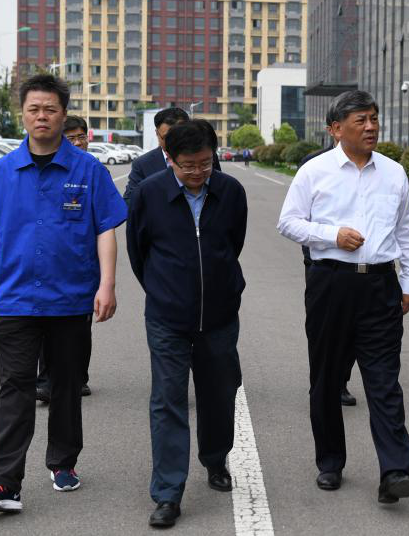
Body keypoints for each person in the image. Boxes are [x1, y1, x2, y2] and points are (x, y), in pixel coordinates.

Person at [0, 74, 127, 513]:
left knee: (66, 385)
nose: (42, 116)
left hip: (70, 299)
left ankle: (63, 462)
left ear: (63, 114)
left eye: (50, 109)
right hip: (14, 299)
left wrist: (107, 284)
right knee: (15, 387)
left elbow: (105, 229)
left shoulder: (89, 170)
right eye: (34, 109)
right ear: (22, 114)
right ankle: (4, 483)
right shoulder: (1, 173)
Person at [278, 90, 409, 504]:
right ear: (336, 129)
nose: (371, 127)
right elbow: (288, 222)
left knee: (384, 381)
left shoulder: (393, 172)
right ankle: (330, 462)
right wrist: (331, 235)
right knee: (326, 379)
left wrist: (407, 285)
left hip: (380, 286)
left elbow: (407, 232)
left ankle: (395, 470)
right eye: (361, 120)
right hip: (331, 285)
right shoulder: (314, 171)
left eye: (374, 118)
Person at [126, 119, 247, 528]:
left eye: (205, 163)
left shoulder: (230, 191)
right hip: (167, 318)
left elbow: (233, 244)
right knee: (167, 400)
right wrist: (163, 289)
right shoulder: (149, 193)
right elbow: (138, 251)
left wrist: (221, 286)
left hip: (219, 316)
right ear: (170, 159)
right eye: (188, 165)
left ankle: (215, 460)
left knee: (219, 393)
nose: (197, 172)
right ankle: (167, 492)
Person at [34, 115, 95, 403]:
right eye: (71, 138)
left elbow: (105, 224)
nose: (77, 142)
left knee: (80, 329)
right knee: (45, 327)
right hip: (48, 264)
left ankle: (78, 377)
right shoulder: (49, 172)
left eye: (81, 136)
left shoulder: (93, 171)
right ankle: (46, 382)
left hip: (82, 265)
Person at [298, 118, 358, 408]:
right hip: (321, 262)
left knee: (351, 329)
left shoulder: (376, 166)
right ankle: (320, 382)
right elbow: (299, 218)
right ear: (334, 130)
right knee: (321, 328)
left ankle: (340, 382)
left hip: (359, 264)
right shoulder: (313, 164)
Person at [123, 108, 221, 203]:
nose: (174, 142)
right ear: (157, 133)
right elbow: (130, 200)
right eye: (167, 137)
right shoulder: (142, 164)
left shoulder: (207, 158)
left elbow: (219, 189)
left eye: (181, 136)